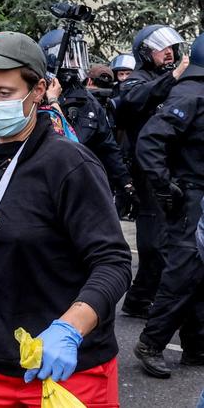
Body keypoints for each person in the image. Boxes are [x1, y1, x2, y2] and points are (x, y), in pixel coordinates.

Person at [0, 31, 131, 407]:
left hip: (67, 369)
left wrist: (70, 328)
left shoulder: (69, 164)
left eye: (3, 93)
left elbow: (113, 262)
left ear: (38, 90)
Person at [133, 32, 204, 378]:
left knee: (197, 272)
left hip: (198, 197)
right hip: (191, 197)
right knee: (183, 271)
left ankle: (195, 345)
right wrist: (166, 188)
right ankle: (151, 343)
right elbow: (150, 140)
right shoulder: (191, 93)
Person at [118, 24, 189, 319]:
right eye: (163, 48)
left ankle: (142, 298)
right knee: (154, 240)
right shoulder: (137, 80)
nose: (169, 52)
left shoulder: (170, 80)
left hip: (171, 168)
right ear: (146, 52)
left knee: (172, 238)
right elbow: (133, 99)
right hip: (146, 170)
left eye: (172, 47)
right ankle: (140, 299)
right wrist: (173, 76)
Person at [38, 29, 135, 203]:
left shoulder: (86, 99)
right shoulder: (38, 94)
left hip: (80, 183)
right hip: (44, 182)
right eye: (70, 55)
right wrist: (52, 100)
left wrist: (125, 182)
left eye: (78, 54)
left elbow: (107, 145)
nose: (75, 62)